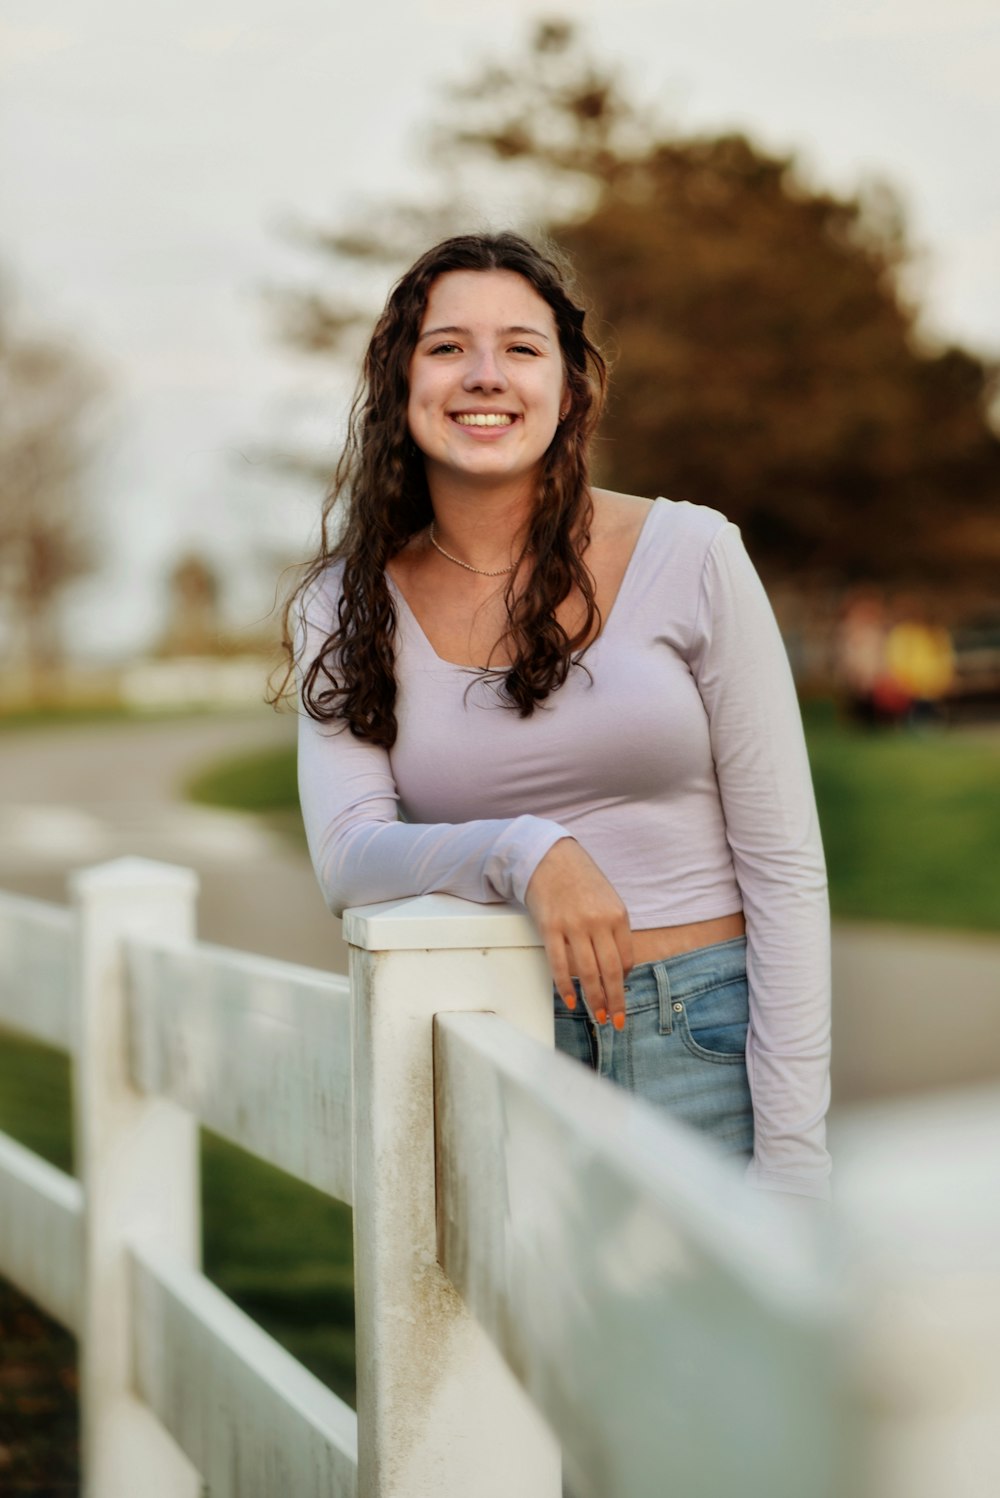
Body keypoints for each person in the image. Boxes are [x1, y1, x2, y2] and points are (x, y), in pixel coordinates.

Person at [277, 231, 831, 1203]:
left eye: (522, 347)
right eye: (447, 346)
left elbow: (784, 867)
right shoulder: (345, 599)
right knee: (512, 1357)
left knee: (690, 1357)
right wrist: (525, 851)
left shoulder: (693, 552)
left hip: (700, 1039)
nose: (484, 374)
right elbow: (349, 855)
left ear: (571, 387)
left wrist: (793, 1158)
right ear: (400, 383)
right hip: (489, 1037)